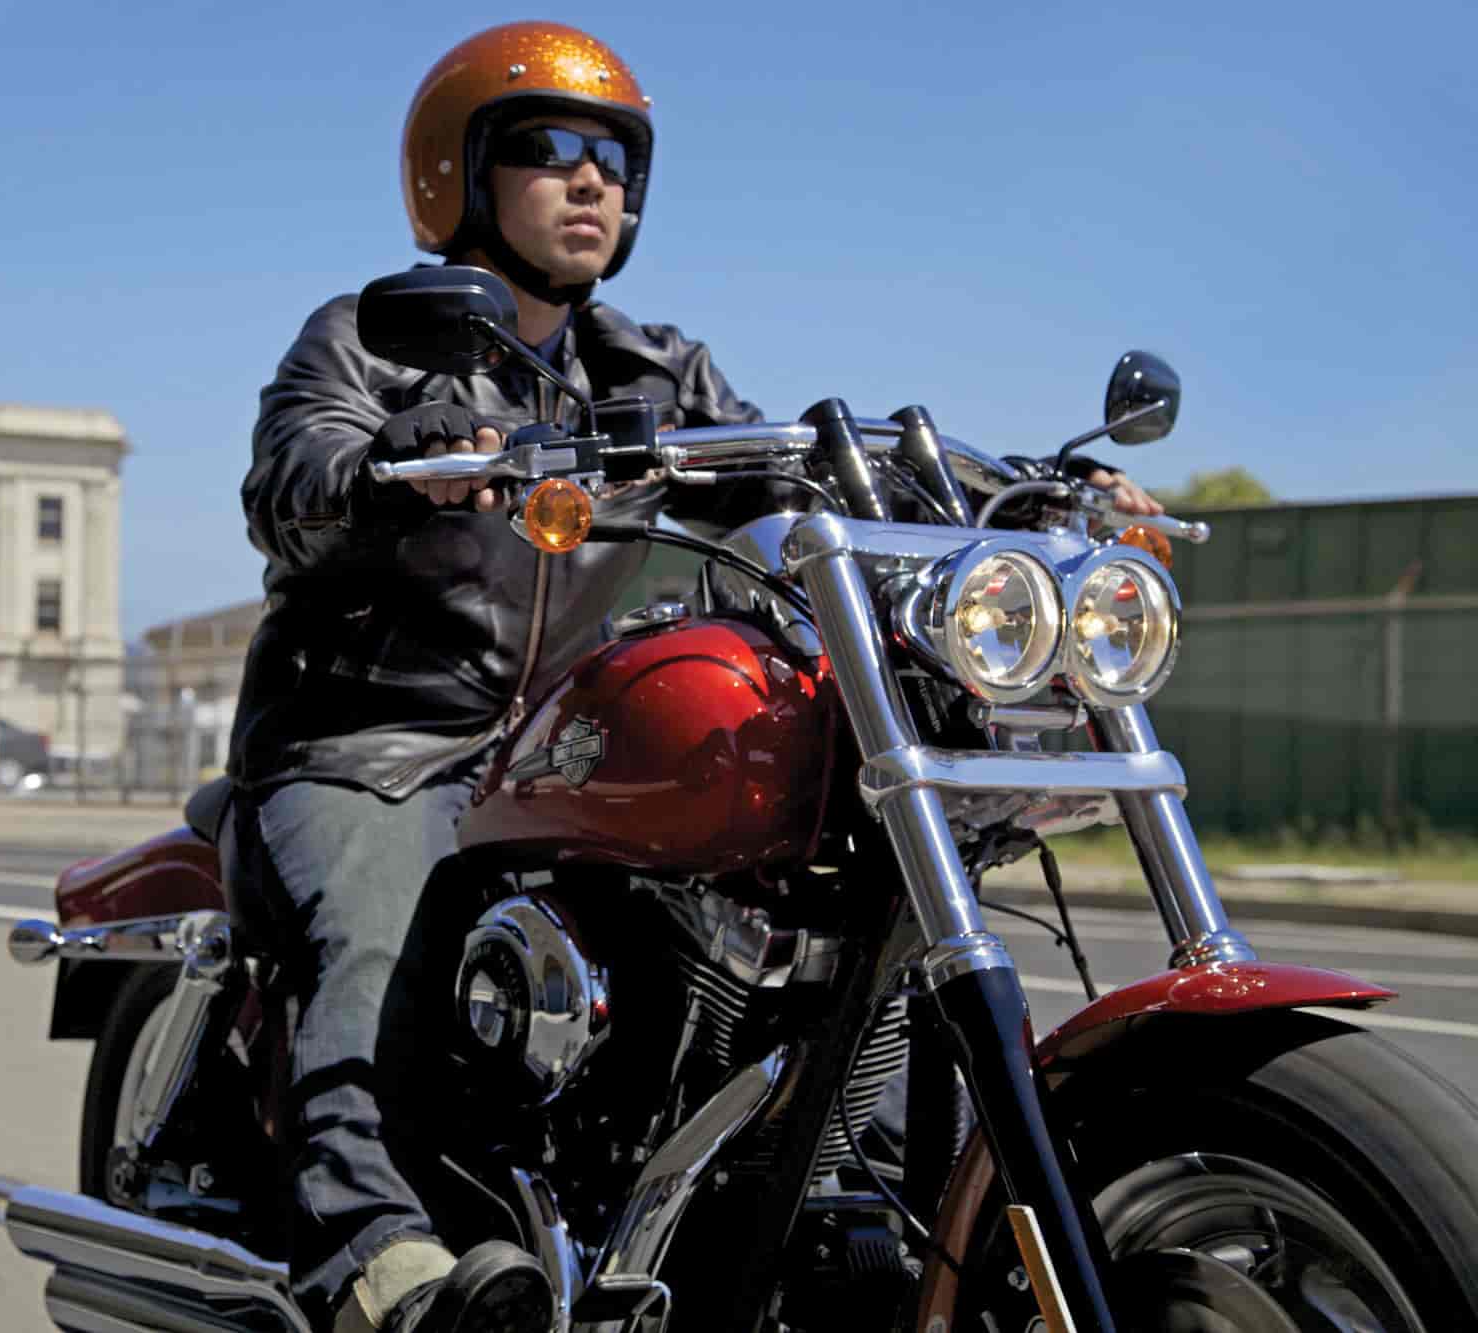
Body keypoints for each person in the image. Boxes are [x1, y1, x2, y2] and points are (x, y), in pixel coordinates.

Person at [224, 22, 1160, 1333]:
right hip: (381, 746)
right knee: (378, 937)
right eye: (548, 147)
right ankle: (385, 1266)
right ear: (460, 175)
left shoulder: (655, 371)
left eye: (614, 159)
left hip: (559, 755)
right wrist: (402, 454)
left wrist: (1021, 497)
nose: (589, 179)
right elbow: (292, 482)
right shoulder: (369, 341)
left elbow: (810, 473)